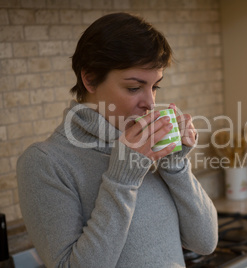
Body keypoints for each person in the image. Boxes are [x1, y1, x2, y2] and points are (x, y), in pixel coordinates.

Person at [17, 12, 218, 268]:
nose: (150, 102)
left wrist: (174, 164)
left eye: (155, 86)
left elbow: (205, 242)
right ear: (89, 79)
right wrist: (122, 179)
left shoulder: (147, 148)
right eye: (134, 88)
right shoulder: (45, 163)